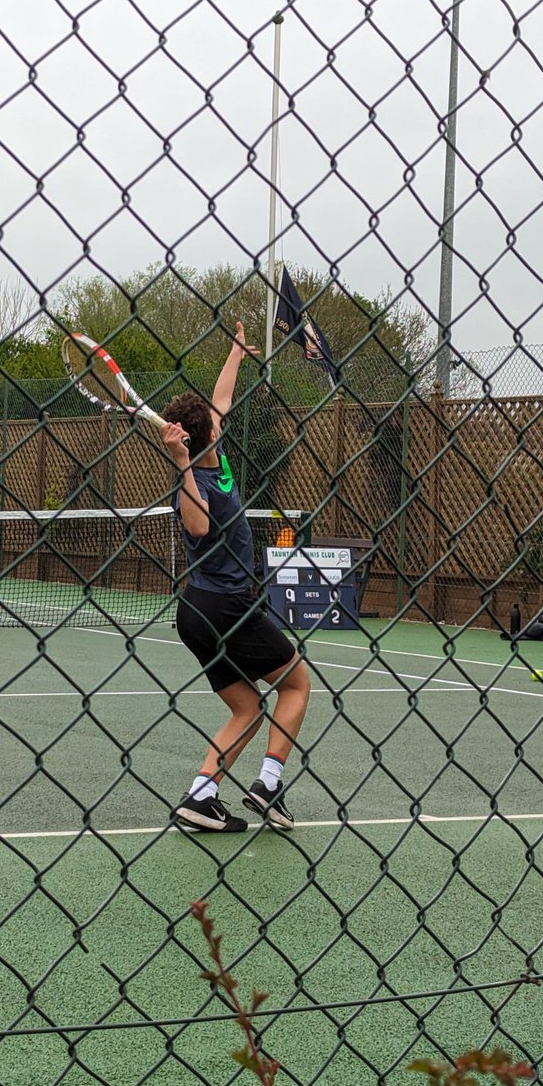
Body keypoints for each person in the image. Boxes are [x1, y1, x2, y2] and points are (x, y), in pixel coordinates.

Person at [160, 321, 311, 832]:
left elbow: (219, 403)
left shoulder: (216, 454)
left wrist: (235, 355)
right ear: (208, 437)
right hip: (225, 606)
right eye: (214, 423)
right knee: (296, 684)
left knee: (246, 706)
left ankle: (202, 795)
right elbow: (197, 525)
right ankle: (268, 785)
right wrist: (181, 463)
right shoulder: (195, 476)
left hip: (197, 613)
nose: (221, 420)